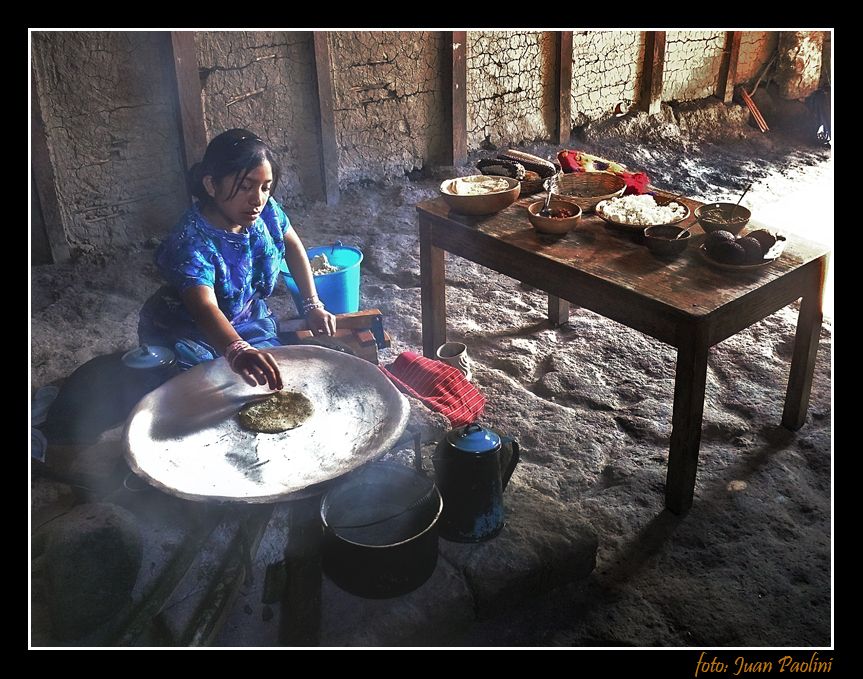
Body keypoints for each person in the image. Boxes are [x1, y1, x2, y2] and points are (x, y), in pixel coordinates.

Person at [138, 128, 336, 391]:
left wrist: (312, 306)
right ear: (211, 185)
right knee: (208, 391)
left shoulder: (265, 211)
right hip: (190, 331)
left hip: (248, 319)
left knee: (273, 381)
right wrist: (237, 349)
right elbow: (204, 307)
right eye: (245, 186)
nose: (258, 198)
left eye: (265, 187)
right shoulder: (191, 241)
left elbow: (293, 246)